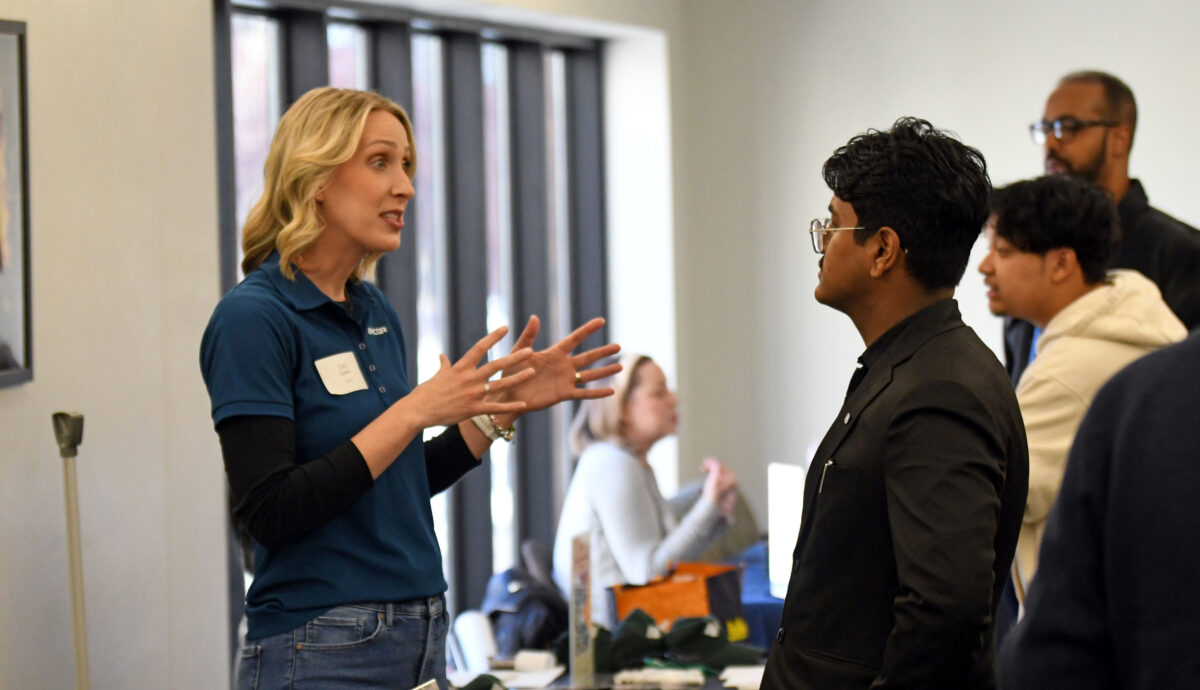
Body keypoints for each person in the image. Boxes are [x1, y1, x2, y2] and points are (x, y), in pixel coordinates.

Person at [199, 87, 620, 690]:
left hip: (419, 631)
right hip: (321, 643)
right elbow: (271, 512)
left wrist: (496, 409)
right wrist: (415, 410)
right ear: (315, 177)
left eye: (406, 166)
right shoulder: (254, 319)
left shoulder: (373, 309)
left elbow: (395, 482)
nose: (405, 187)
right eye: (380, 162)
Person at [760, 118, 1028, 689]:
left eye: (832, 226)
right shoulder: (907, 366)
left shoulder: (941, 390)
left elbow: (944, 614)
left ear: (882, 249)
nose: (823, 243)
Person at [979, 175, 1186, 612]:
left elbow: (988, 497)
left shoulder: (1068, 375)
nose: (985, 266)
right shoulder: (1141, 319)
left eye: (1003, 251)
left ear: (1061, 264)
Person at [997, 330, 1200, 689]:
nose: (985, 269)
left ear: (1062, 268)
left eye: (1008, 265)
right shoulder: (1143, 372)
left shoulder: (1133, 398)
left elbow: (1053, 659)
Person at [1006, 70, 1200, 383]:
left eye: (1069, 127)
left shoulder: (1182, 254)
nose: (1052, 142)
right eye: (1045, 128)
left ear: (1119, 138)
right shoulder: (1031, 254)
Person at [551, 352, 738, 630]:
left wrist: (714, 511)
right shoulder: (613, 465)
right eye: (658, 393)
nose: (674, 400)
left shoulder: (627, 462)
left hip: (625, 631)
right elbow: (648, 574)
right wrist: (708, 505)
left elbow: (667, 556)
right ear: (623, 408)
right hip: (611, 643)